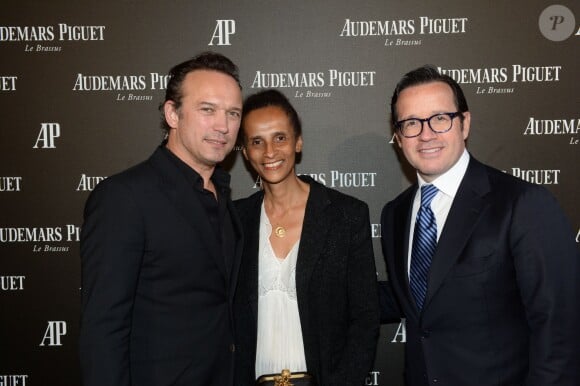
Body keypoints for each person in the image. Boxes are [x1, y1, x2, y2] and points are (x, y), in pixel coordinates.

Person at [379, 64, 580, 385]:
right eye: (411, 123)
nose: (426, 133)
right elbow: (423, 300)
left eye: (440, 118)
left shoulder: (522, 204)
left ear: (465, 124)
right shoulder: (395, 214)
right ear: (398, 135)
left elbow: (560, 331)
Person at [79, 51, 244, 386]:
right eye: (207, 110)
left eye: (233, 113)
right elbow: (103, 330)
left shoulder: (224, 197)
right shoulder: (125, 197)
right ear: (172, 113)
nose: (223, 126)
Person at [233, 89, 380, 385]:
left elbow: (365, 318)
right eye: (257, 142)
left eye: (280, 137)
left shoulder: (346, 216)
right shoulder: (234, 220)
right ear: (246, 153)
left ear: (298, 142)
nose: (270, 152)